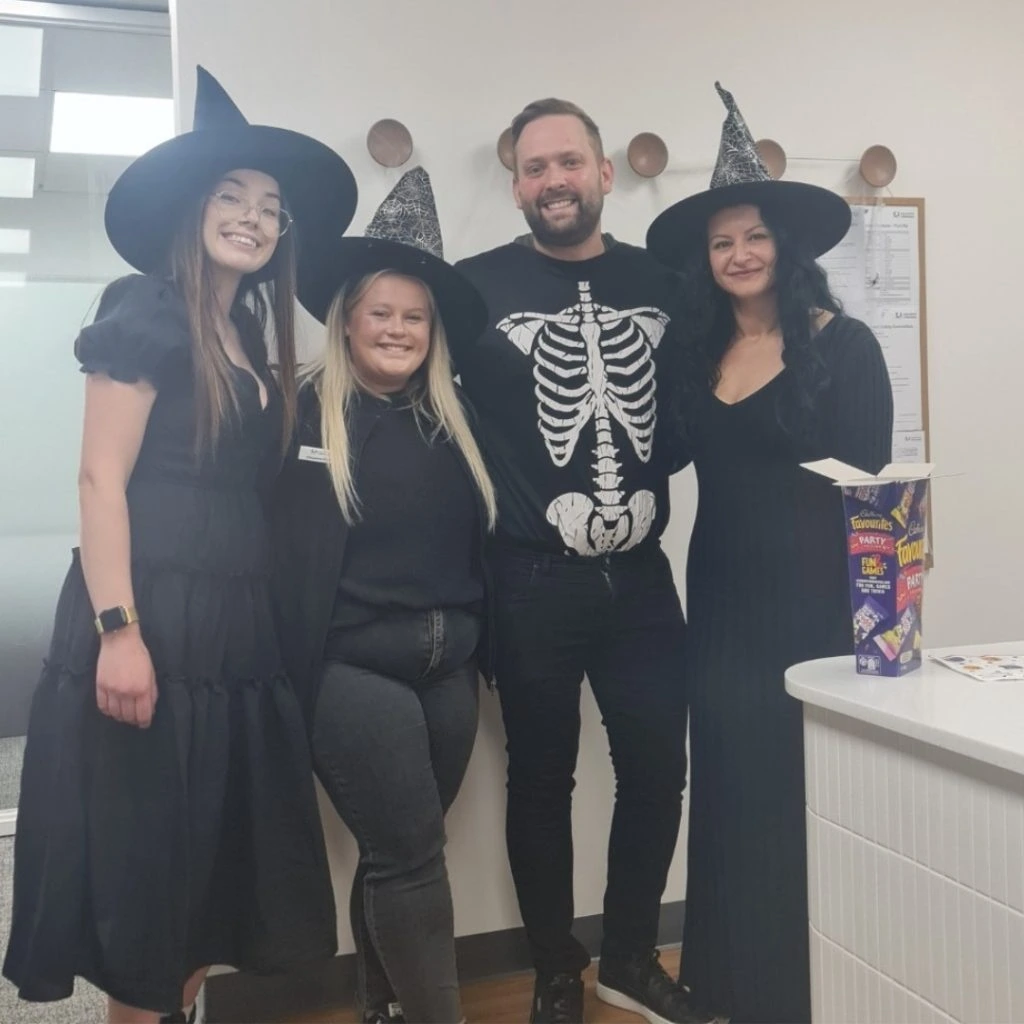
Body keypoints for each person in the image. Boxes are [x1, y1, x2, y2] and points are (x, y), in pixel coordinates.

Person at [2, 67, 358, 1024]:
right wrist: (120, 629)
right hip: (151, 615)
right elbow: (98, 480)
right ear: (191, 210)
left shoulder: (250, 332)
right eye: (232, 197)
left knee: (205, 886)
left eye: (271, 208)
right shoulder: (147, 308)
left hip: (234, 633)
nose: (254, 217)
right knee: (152, 890)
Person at [646, 83, 895, 1024]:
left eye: (753, 236)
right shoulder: (696, 353)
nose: (739, 253)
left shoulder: (846, 349)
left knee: (804, 800)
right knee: (732, 789)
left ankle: (807, 992)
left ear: (784, 246)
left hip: (814, 609)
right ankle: (733, 988)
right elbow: (657, 459)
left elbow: (875, 509)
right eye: (721, 242)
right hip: (719, 602)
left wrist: (877, 640)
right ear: (706, 262)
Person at [453, 100, 703, 1024]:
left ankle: (632, 956)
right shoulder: (470, 291)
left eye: (568, 161)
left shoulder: (669, 280)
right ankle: (556, 970)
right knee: (540, 778)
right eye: (533, 168)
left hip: (641, 576)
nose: (552, 180)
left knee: (655, 769)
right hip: (529, 577)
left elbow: (687, 416)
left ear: (603, 172)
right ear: (515, 184)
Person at [269, 167, 497, 1024]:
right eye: (382, 314)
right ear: (348, 321)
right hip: (350, 669)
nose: (399, 330)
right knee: (413, 855)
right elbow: (271, 552)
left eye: (414, 317)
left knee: (395, 847)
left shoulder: (458, 416)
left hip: (450, 670)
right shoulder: (301, 417)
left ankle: (382, 1004)